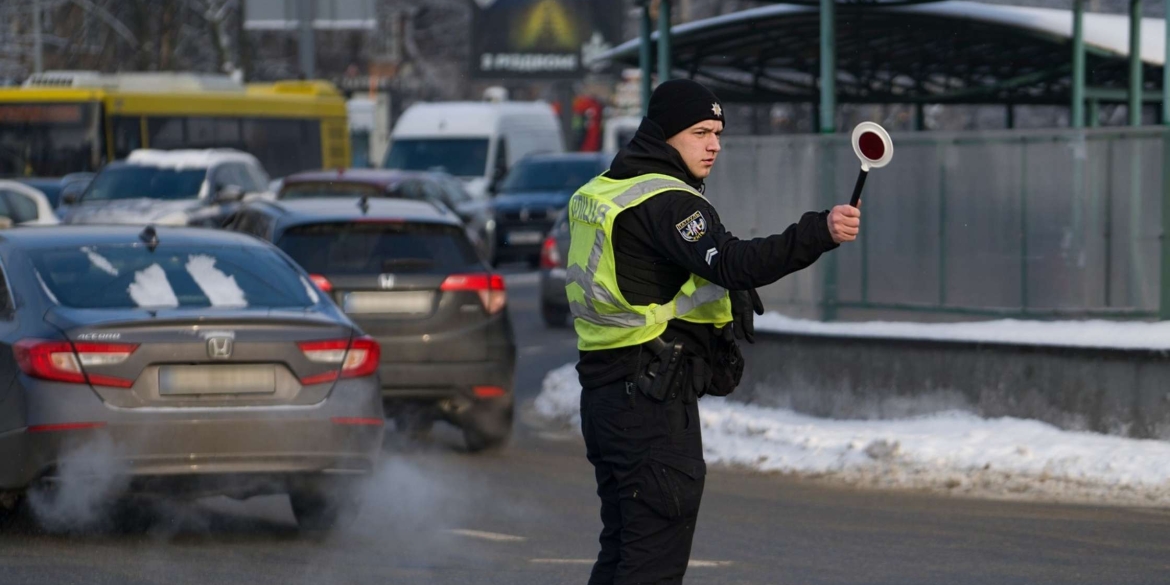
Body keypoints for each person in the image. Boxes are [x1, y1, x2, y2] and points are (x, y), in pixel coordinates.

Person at [566, 78, 861, 585]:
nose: (713, 145)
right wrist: (820, 231)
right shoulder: (671, 202)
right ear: (665, 135)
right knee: (651, 565)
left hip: (606, 397)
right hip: (650, 403)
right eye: (700, 131)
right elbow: (732, 262)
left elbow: (649, 280)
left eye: (718, 133)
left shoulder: (603, 189)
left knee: (622, 552)